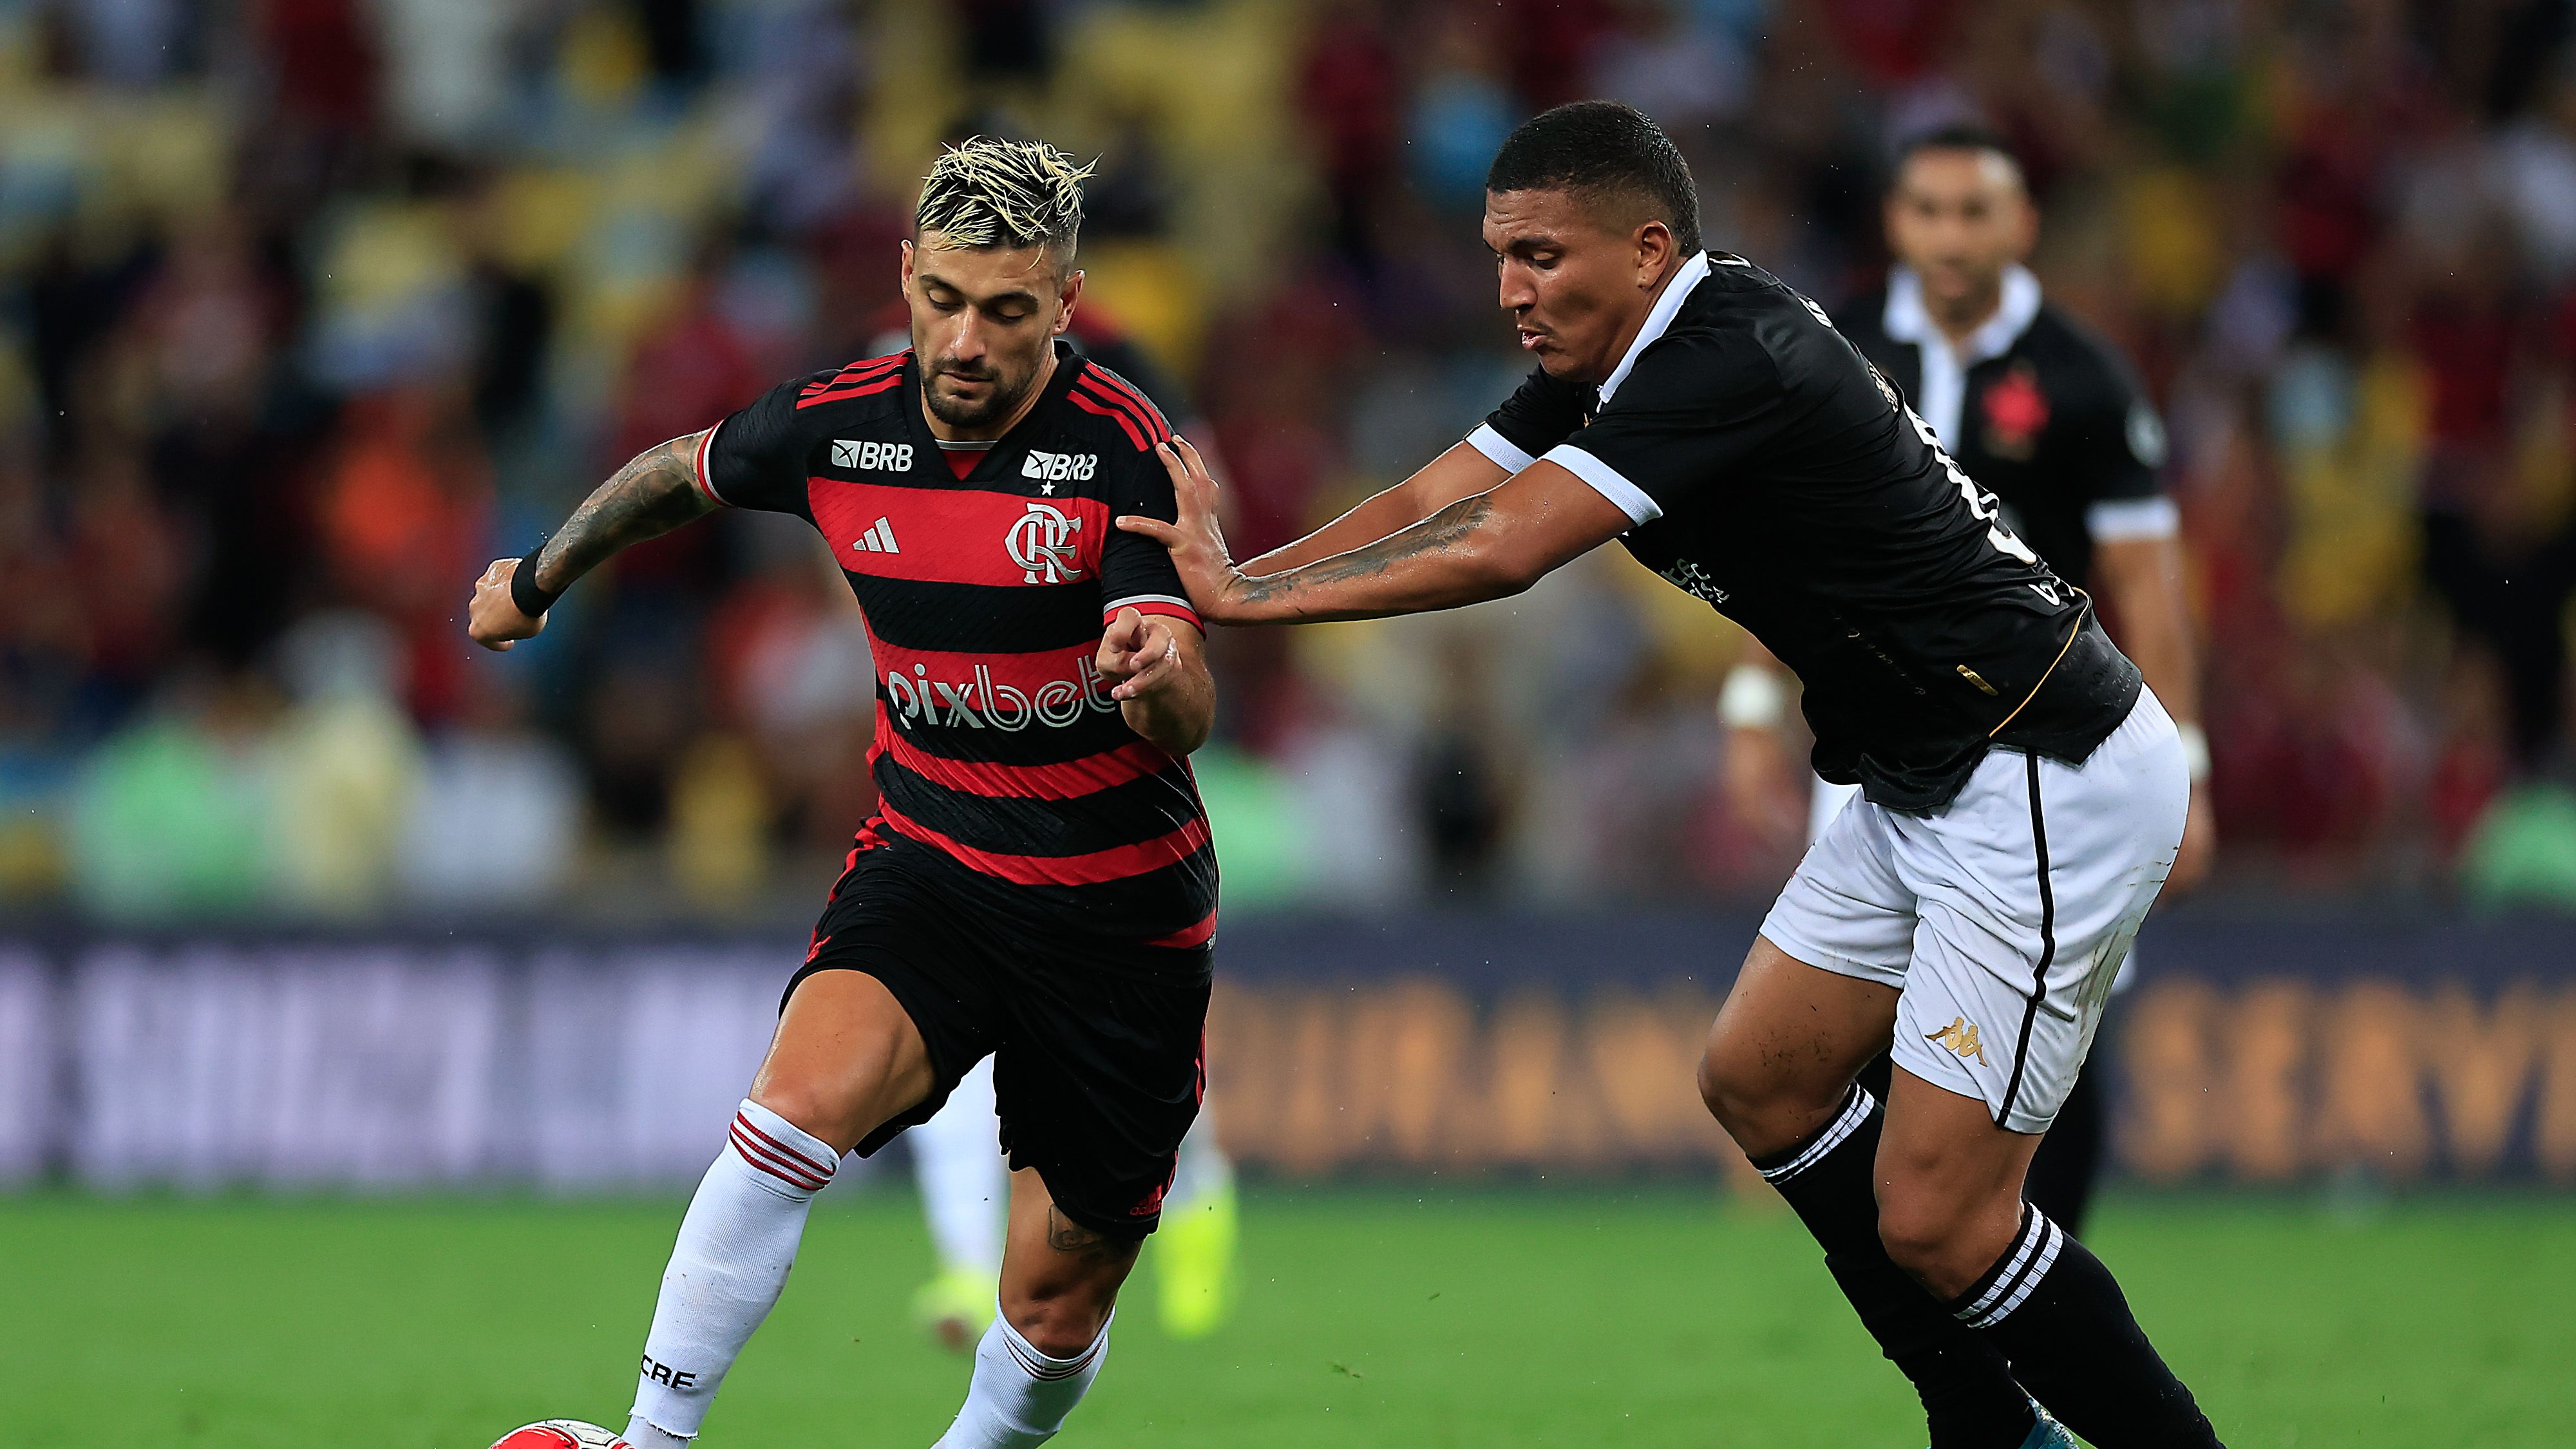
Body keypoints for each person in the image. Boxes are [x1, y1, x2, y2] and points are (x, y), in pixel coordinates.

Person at [1122, 102, 2222, 1449]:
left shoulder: (1723, 352)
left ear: (1647, 250)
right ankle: (1984, 1423)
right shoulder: (1611, 364)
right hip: (1915, 771)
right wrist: (1236, 577)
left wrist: (1241, 607)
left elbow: (1503, 548)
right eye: (1497, 257)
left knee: (1941, 1219)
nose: (1512, 291)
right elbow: (1429, 502)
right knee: (1761, 1080)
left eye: (1540, 255)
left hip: (2036, 765)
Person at [468, 137, 1221, 1449]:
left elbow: (1188, 705)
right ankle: (649, 1442)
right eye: (944, 301)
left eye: (1007, 311)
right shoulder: (840, 420)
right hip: (930, 860)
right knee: (787, 1111)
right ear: (906, 278)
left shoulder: (1121, 454)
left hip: (1114, 916)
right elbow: (675, 475)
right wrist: (537, 578)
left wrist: (1157, 677)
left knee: (1051, 1303)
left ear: (1064, 303)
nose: (968, 341)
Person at [1718, 122, 2213, 1234]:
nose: (1950, 236)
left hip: (2049, 751)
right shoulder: (1833, 349)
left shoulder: (2083, 379)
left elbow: (2147, 584)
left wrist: (2193, 763)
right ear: (1896, 223)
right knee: (1878, 1018)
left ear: (2021, 225)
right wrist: (1752, 714)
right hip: (1874, 739)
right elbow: (1791, 553)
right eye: (1928, 211)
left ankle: (2037, 1270)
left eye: (1974, 212)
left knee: (2061, 1024)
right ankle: (1945, 1284)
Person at [855, 295, 1241, 1351]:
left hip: (1106, 760)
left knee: (1135, 1063)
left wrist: (1144, 620)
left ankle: (1202, 1208)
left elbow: (1208, 508)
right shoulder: (902, 375)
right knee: (958, 1033)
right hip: (971, 763)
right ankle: (965, 1268)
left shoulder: (1115, 371)